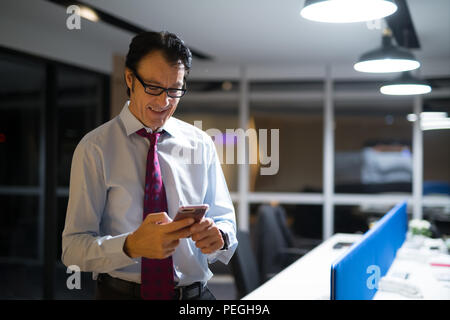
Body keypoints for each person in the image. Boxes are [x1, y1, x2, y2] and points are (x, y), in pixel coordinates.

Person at [61, 31, 237, 300]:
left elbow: (226, 220)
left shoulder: (201, 144)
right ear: (130, 78)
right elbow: (72, 249)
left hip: (195, 298)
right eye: (153, 87)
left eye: (175, 89)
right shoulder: (94, 148)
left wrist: (220, 236)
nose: (164, 102)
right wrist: (130, 245)